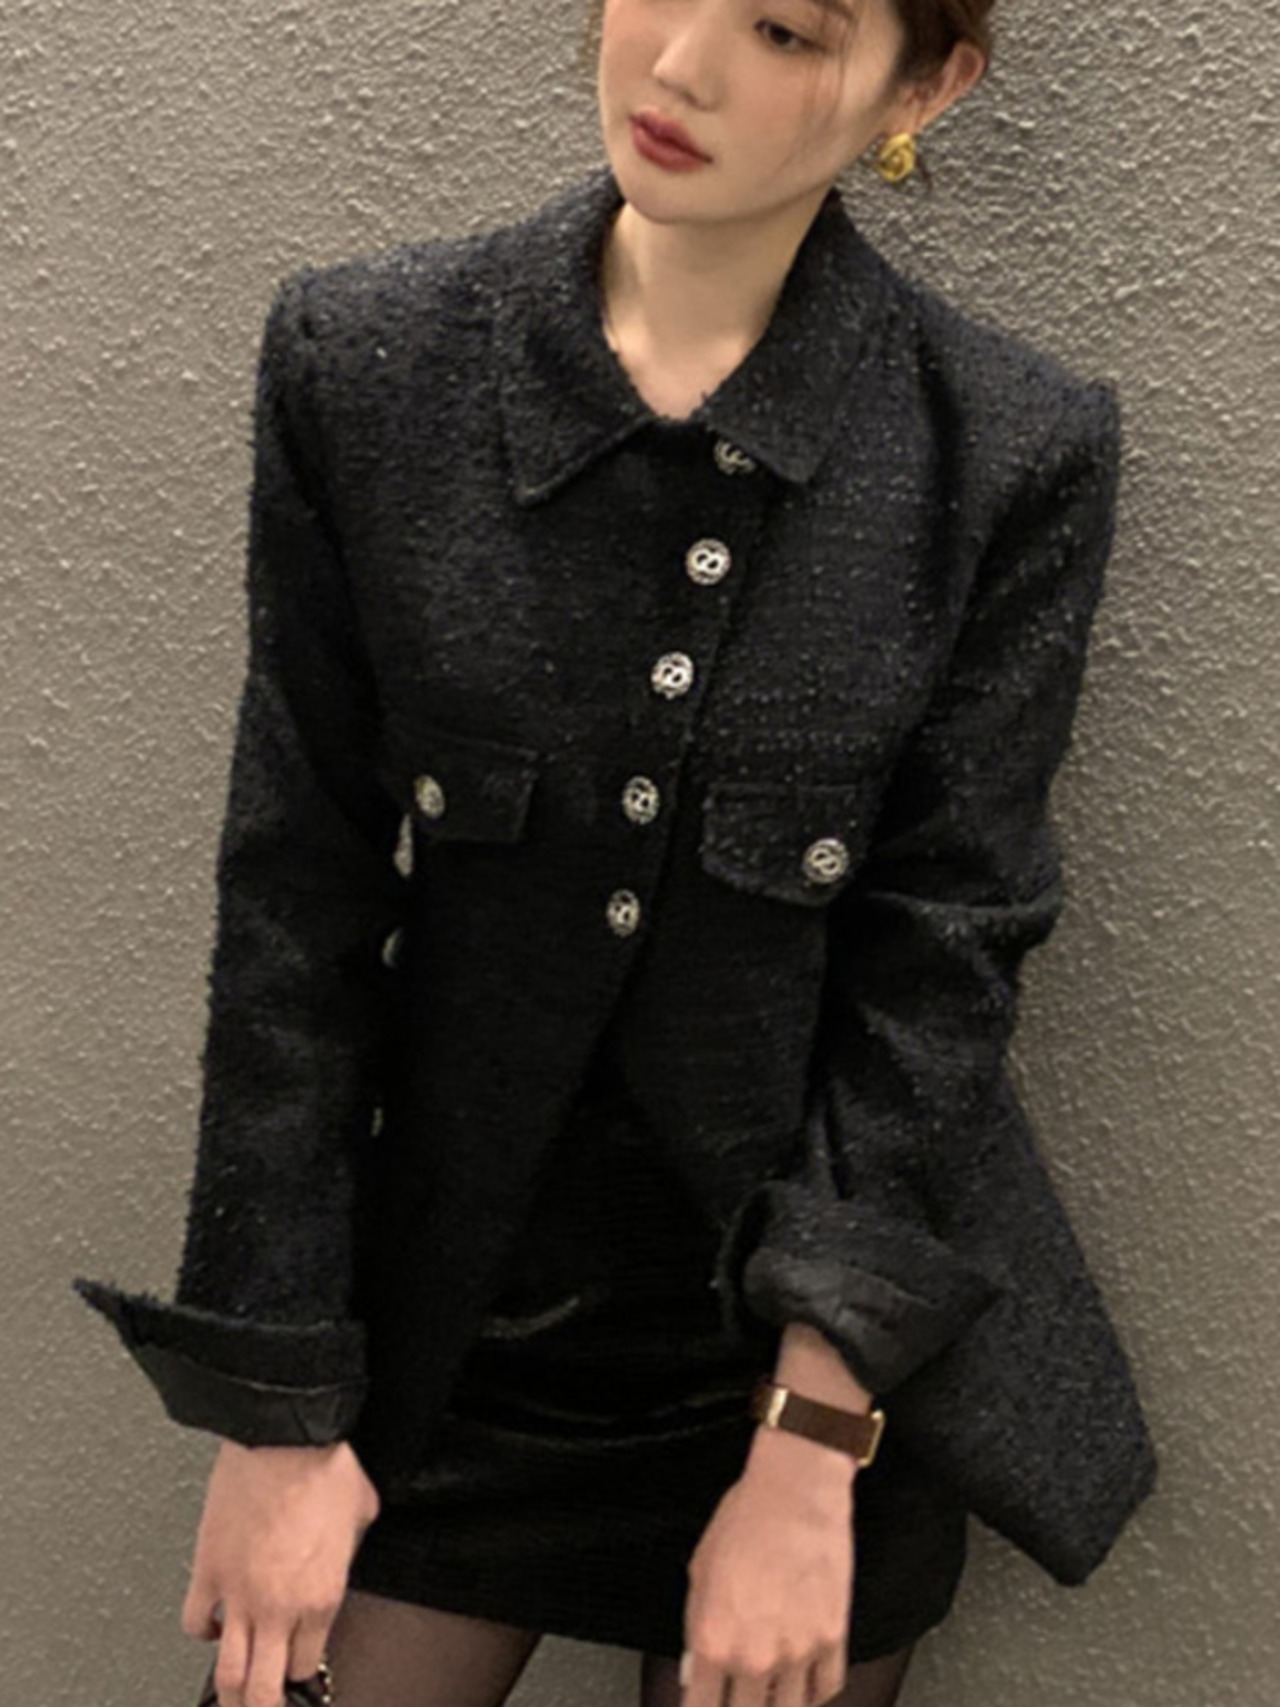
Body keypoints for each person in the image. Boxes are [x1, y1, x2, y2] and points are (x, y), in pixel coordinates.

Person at [73, 2, 1159, 1706]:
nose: (679, 65)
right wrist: (276, 1414)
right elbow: (295, 905)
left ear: (927, 84)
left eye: (784, 28)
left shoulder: (1007, 448)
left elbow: (941, 963)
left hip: (814, 1351)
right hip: (443, 1337)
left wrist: (814, 1444)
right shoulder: (370, 365)